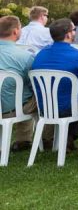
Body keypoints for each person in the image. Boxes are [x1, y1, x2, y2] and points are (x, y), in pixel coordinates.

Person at [31, 18, 78, 149]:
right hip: (69, 107)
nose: (75, 32)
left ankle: (68, 138)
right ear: (68, 34)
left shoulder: (40, 54)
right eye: (74, 30)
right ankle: (74, 138)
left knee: (75, 97)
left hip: (45, 107)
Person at [0, 16, 38, 152]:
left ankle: (23, 139)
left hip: (9, 104)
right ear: (16, 31)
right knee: (41, 94)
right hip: (13, 109)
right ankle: (45, 139)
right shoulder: (25, 57)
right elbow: (33, 83)